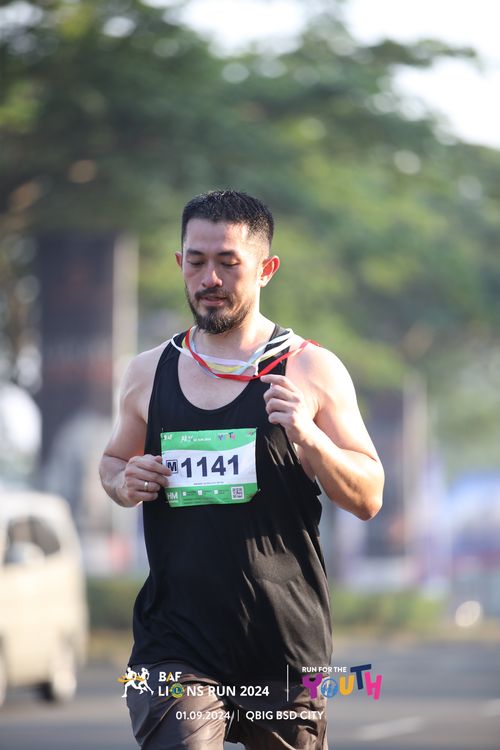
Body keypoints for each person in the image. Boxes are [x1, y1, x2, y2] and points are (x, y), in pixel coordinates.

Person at [99, 189, 384, 749]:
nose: (210, 279)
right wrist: (123, 482)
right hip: (172, 642)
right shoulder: (147, 372)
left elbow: (369, 495)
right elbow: (113, 461)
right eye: (197, 261)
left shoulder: (310, 368)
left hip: (284, 645)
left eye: (228, 263)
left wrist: (309, 437)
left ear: (265, 269)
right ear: (180, 263)